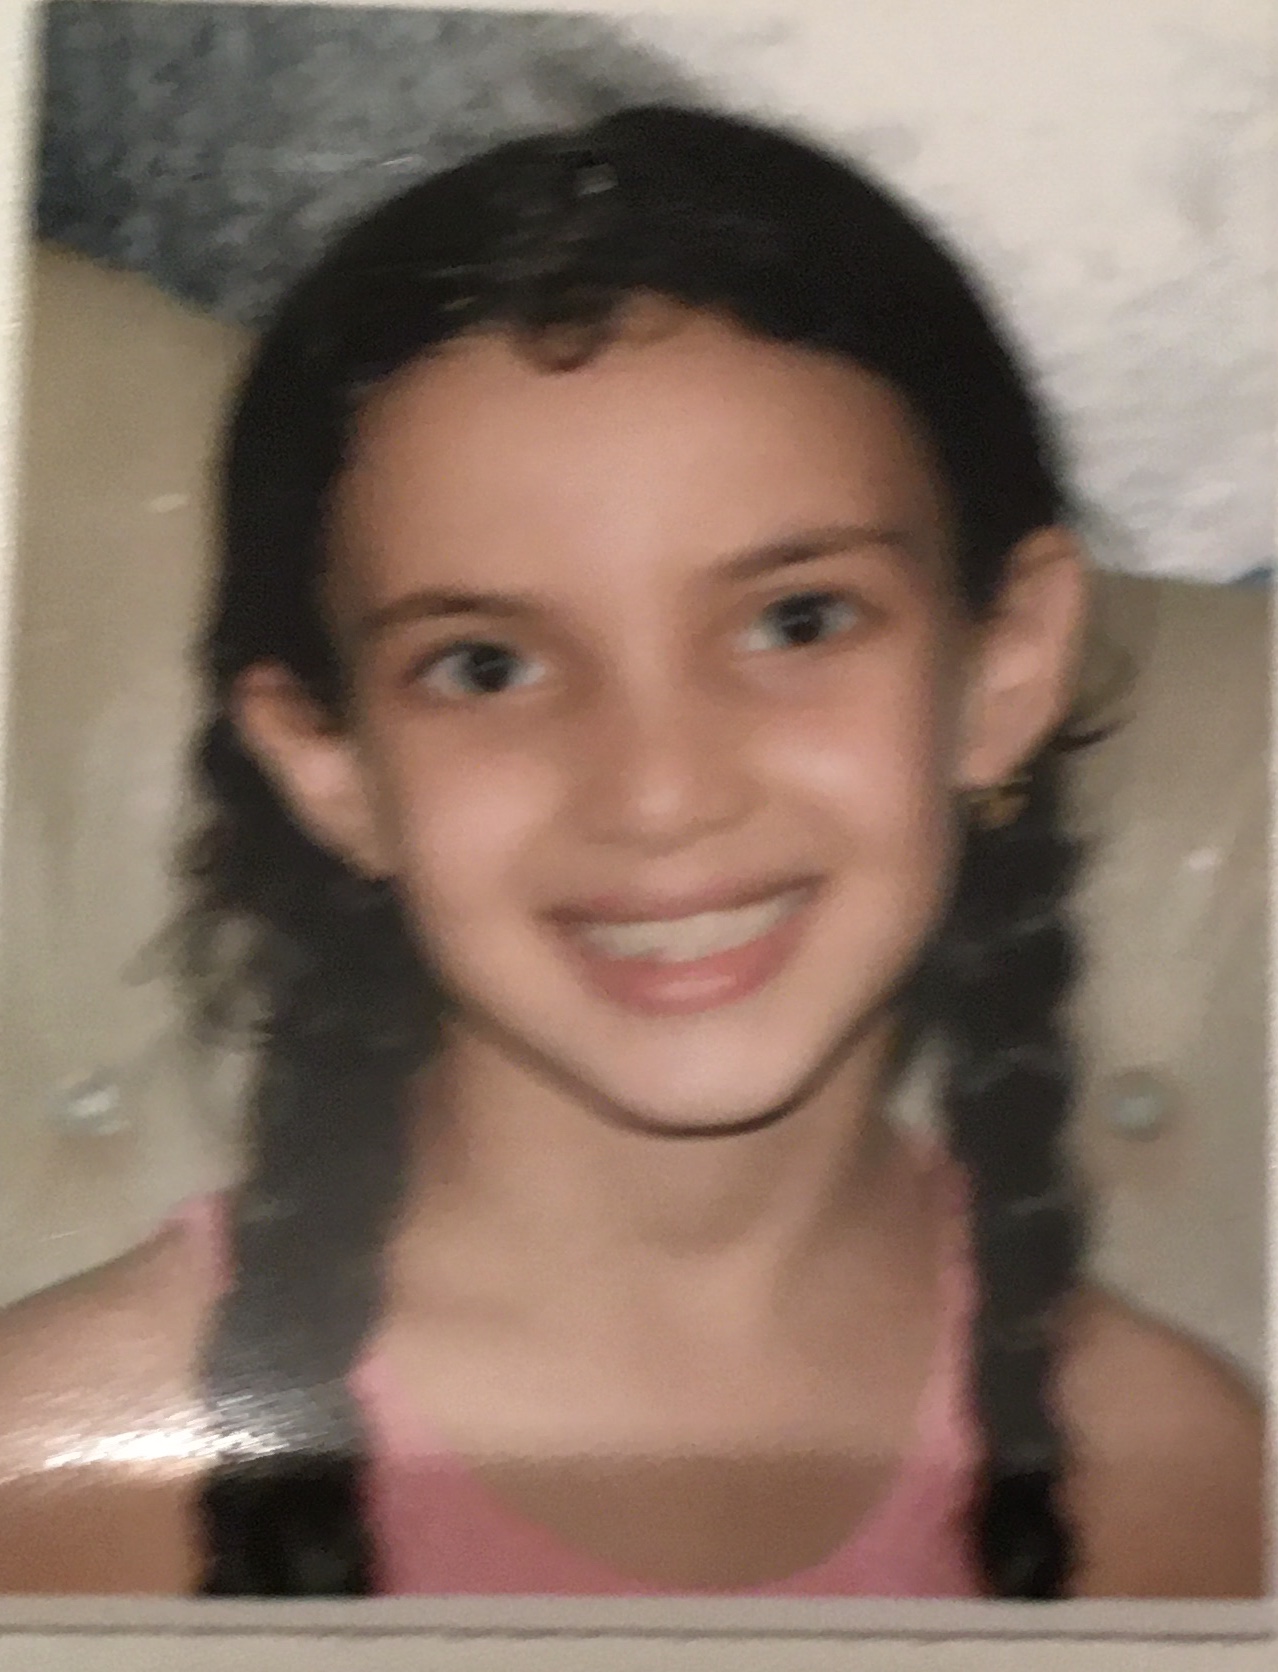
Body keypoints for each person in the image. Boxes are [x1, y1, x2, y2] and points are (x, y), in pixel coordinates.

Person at [0, 104, 1263, 1600]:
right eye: (486, 666)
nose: (659, 794)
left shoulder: (1193, 1492)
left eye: (795, 621)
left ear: (1003, 669)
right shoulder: (52, 1485)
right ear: (329, 766)